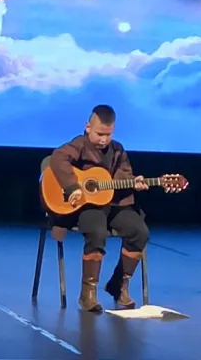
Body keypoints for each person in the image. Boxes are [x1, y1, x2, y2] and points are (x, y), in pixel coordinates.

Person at [49, 104, 150, 313]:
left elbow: (123, 176)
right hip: (86, 207)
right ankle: (88, 293)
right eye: (99, 134)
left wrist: (134, 182)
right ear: (88, 127)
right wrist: (73, 187)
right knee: (96, 230)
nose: (104, 140)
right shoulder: (79, 145)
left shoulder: (118, 150)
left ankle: (118, 285)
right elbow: (57, 158)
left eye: (108, 135)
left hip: (113, 205)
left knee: (139, 231)